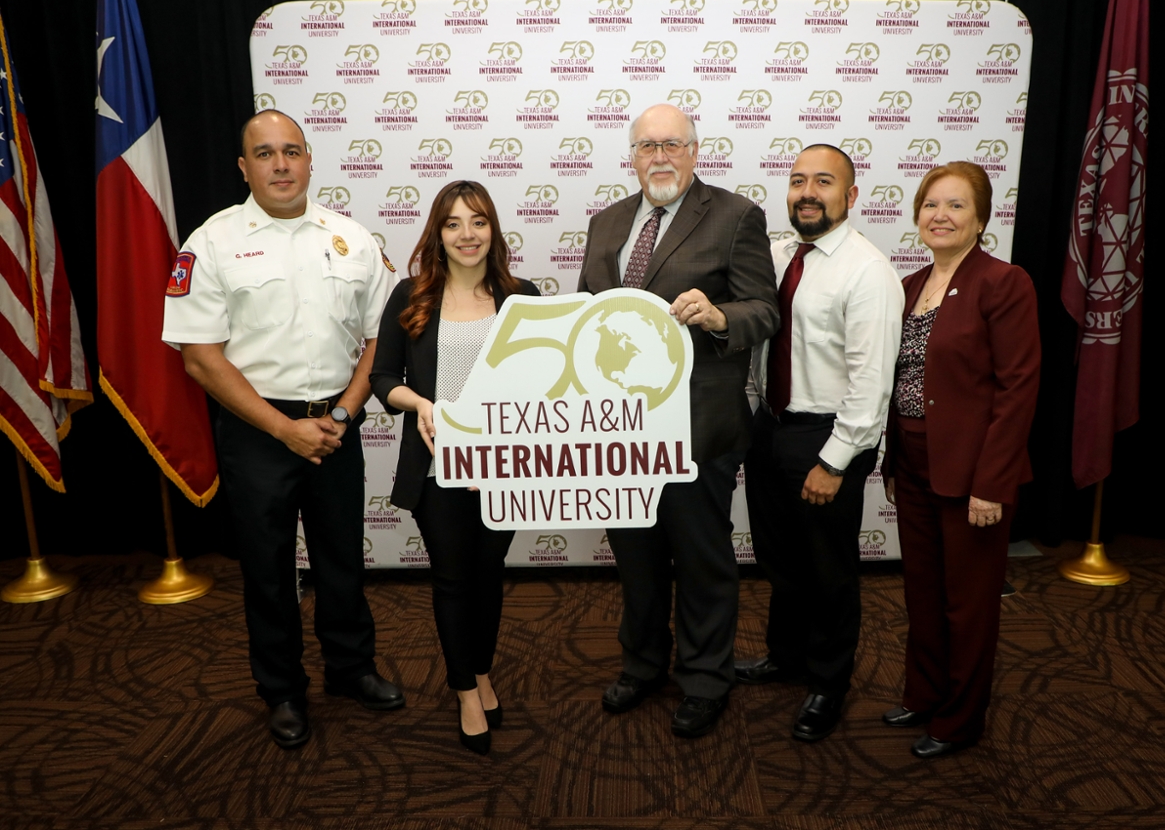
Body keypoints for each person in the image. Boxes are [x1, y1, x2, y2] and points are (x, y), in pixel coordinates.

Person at [161, 110, 403, 750]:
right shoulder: (209, 242)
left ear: (309, 159)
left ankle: (351, 670)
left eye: (291, 151)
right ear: (244, 168)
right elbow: (200, 357)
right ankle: (283, 691)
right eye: (264, 154)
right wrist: (282, 428)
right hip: (256, 427)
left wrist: (344, 415)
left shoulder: (351, 238)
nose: (280, 164)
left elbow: (383, 336)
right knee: (268, 571)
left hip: (335, 424)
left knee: (341, 560)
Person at [577, 103, 779, 738]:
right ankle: (642, 664)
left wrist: (720, 317)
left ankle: (704, 678)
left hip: (698, 425)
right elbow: (588, 317)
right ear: (631, 156)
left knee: (700, 559)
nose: (659, 156)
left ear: (696, 150)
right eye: (646, 146)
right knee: (634, 557)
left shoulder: (735, 215)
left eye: (672, 144)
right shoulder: (606, 222)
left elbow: (765, 311)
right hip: (619, 427)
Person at [736, 144, 904, 741]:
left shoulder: (867, 271)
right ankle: (786, 656)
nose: (807, 192)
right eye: (797, 180)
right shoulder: (780, 256)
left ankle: (829, 683)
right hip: (772, 428)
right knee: (780, 559)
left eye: (824, 182)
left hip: (827, 436)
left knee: (829, 570)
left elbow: (871, 382)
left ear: (851, 196)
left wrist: (835, 461)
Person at [370, 180, 539, 756]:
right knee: (452, 578)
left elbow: (546, 384)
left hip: (506, 468)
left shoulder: (524, 298)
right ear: (437, 235)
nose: (467, 235)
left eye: (478, 221)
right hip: (437, 467)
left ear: (494, 229)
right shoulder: (410, 296)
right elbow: (382, 381)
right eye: (453, 224)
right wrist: (420, 404)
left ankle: (482, 670)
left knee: (489, 576)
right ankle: (465, 689)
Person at [880, 161, 1040, 759]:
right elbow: (900, 380)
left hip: (974, 472)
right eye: (930, 205)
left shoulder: (1004, 282)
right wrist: (895, 463)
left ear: (981, 219)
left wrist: (992, 483)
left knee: (967, 604)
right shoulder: (908, 284)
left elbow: (1018, 388)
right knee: (922, 590)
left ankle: (959, 719)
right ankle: (923, 694)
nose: (939, 216)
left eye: (955, 207)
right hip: (916, 461)